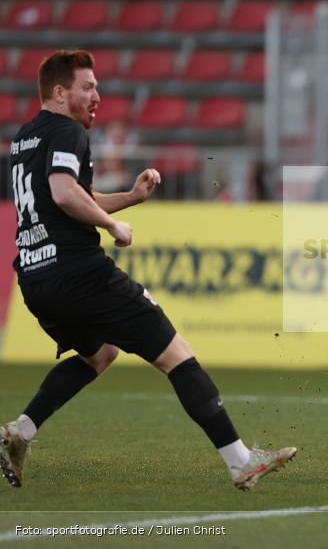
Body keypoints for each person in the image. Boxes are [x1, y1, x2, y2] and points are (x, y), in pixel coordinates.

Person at [0, 50, 296, 491]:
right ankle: (240, 461)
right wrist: (112, 225)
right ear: (59, 93)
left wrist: (131, 198)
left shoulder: (26, 137)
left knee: (101, 354)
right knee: (176, 354)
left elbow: (72, 195)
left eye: (97, 86)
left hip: (35, 278)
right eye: (87, 87)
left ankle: (19, 432)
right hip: (79, 273)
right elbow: (64, 194)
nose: (97, 96)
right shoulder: (68, 130)